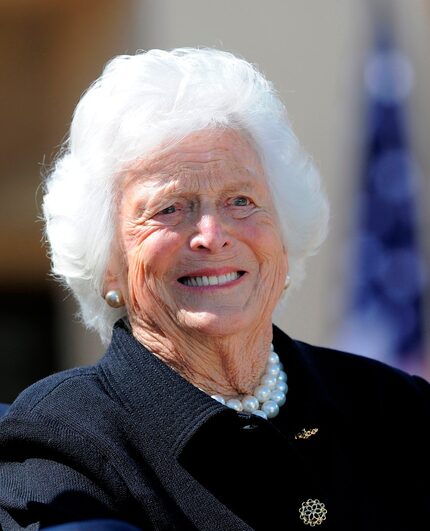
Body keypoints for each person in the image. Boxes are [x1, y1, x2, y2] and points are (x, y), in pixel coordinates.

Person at [0, 47, 429, 531]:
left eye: (241, 200)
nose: (212, 233)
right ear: (109, 264)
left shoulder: (399, 408)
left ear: (286, 234)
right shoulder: (64, 439)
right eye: (169, 208)